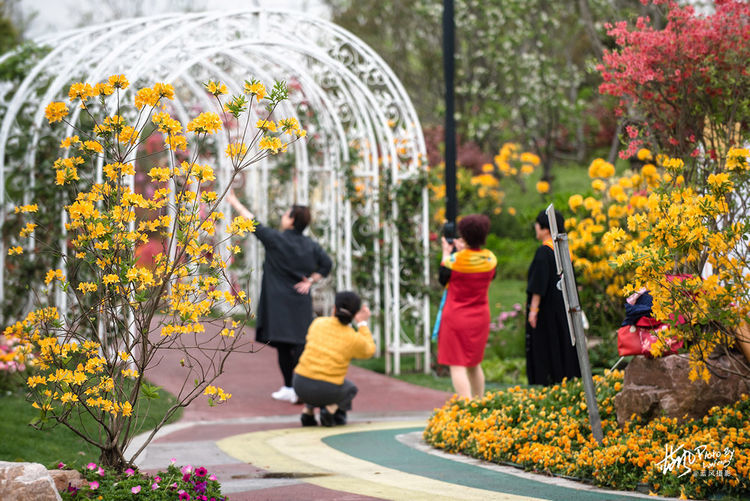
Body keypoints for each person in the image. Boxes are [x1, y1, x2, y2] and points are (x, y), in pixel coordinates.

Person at [226, 191, 332, 403]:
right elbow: (327, 264)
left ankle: (290, 387)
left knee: (284, 347)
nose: (283, 217)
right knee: (300, 345)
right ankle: (297, 387)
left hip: (278, 302)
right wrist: (310, 281)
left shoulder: (276, 240)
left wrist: (234, 200)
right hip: (300, 301)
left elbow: (251, 222)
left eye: (286, 214)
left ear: (292, 220)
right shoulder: (310, 245)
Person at [293, 291, 375, 426]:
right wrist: (362, 323)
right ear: (354, 314)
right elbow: (369, 350)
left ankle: (308, 412)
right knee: (350, 388)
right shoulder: (353, 338)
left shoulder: (317, 324)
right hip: (327, 390)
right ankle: (329, 410)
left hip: (299, 383)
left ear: (334, 308)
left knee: (314, 375)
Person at [437, 214, 497, 399]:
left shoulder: (454, 261)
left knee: (457, 365)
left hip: (455, 317)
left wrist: (446, 252)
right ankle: (479, 402)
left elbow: (442, 278)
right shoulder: (490, 260)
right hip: (480, 317)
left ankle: (467, 406)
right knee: (474, 363)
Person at [525, 209, 581, 386]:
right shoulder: (564, 251)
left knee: (547, 347)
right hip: (563, 308)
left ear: (545, 228)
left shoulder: (543, 252)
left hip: (546, 311)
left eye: (537, 224)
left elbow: (538, 286)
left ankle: (549, 382)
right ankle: (565, 381)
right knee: (563, 345)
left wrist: (533, 310)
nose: (535, 228)